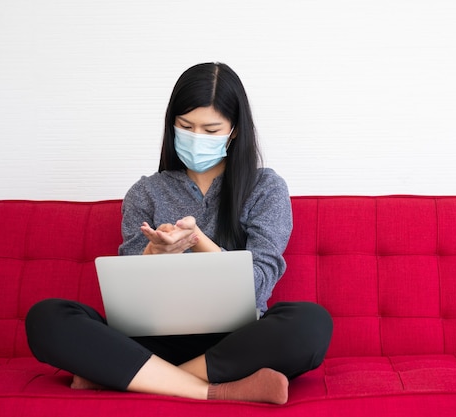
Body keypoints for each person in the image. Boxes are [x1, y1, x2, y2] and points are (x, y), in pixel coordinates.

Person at [25, 62, 333, 405]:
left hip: (236, 341)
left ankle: (127, 376)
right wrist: (154, 255)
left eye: (211, 129)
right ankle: (210, 391)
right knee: (47, 317)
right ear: (172, 125)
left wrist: (197, 241)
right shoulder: (145, 192)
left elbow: (260, 283)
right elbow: (127, 298)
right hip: (150, 340)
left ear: (234, 131)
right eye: (186, 127)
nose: (197, 138)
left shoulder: (265, 188)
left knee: (311, 323)